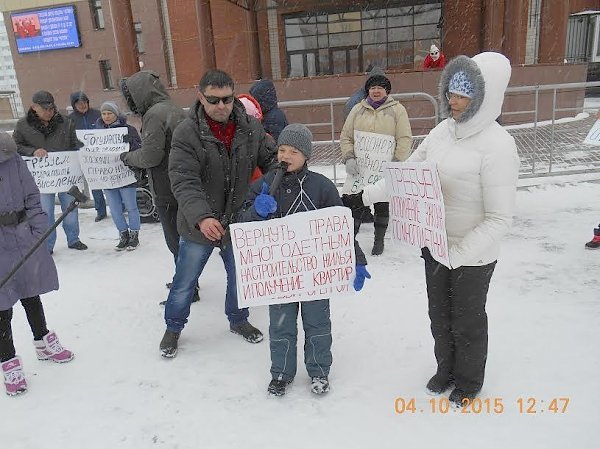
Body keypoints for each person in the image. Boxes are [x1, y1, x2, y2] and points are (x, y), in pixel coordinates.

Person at [343, 52, 520, 407]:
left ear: (485, 98)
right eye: (450, 93)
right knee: (439, 313)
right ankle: (446, 368)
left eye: (463, 95)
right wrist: (364, 196)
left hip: (473, 253)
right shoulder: (442, 132)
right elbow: (408, 174)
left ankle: (469, 380)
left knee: (466, 319)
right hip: (434, 242)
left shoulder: (498, 146)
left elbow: (500, 219)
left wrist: (459, 254)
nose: (452, 101)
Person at [239, 124, 370, 396]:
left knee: (317, 323)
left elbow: (339, 226)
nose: (286, 156)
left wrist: (356, 258)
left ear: (306, 155)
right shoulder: (263, 185)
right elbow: (241, 224)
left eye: (294, 151)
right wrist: (256, 212)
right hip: (280, 273)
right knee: (281, 324)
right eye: (282, 150)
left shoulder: (321, 186)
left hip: (314, 274)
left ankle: (319, 371)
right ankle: (281, 373)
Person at [160, 69, 278, 358]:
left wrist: (264, 191)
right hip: (197, 224)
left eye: (227, 99)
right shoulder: (186, 132)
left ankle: (238, 319)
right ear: (201, 97)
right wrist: (202, 217)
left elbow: (274, 161)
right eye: (214, 99)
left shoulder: (250, 128)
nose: (221, 106)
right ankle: (173, 327)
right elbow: (183, 179)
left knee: (240, 276)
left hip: (238, 219)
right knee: (185, 280)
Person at [0, 132, 74, 396]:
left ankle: (42, 340)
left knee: (31, 292)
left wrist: (38, 229)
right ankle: (8, 362)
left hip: (22, 234)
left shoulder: (12, 157)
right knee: (2, 306)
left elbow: (32, 194)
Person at [119, 71, 200, 303]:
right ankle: (187, 282)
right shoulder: (173, 109)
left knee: (175, 241)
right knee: (184, 238)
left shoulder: (155, 115)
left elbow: (151, 156)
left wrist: (128, 157)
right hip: (183, 185)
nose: (129, 103)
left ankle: (185, 290)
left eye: (130, 97)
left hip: (167, 187)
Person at [340, 71, 412, 255]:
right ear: (367, 91)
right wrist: (349, 157)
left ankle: (378, 241)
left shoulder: (397, 110)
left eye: (380, 87)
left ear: (387, 90)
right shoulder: (358, 109)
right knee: (355, 203)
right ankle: (350, 242)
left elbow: (404, 138)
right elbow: (346, 136)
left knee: (381, 203)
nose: (376, 91)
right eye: (373, 88)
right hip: (360, 169)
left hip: (383, 168)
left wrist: (397, 162)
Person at [13, 90, 87, 254]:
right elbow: (16, 146)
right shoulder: (22, 125)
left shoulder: (66, 122)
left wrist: (85, 147)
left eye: (52, 109)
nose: (49, 112)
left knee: (70, 209)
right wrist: (32, 151)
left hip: (66, 176)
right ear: (34, 107)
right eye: (45, 109)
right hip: (41, 179)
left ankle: (73, 239)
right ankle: (47, 245)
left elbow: (74, 143)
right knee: (45, 213)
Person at [95, 101, 142, 250]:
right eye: (104, 113)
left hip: (125, 174)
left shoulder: (129, 130)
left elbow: (139, 148)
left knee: (131, 206)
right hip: (108, 177)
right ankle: (123, 234)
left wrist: (131, 143)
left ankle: (134, 235)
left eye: (110, 113)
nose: (106, 116)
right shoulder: (96, 133)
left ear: (116, 114)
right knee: (114, 209)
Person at [69, 91, 106, 222]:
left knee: (108, 181)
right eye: (79, 103)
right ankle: (100, 210)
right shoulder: (70, 119)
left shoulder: (97, 115)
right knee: (94, 184)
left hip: (101, 155)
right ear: (74, 105)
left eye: (84, 102)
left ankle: (119, 206)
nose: (82, 105)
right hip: (84, 157)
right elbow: (69, 138)